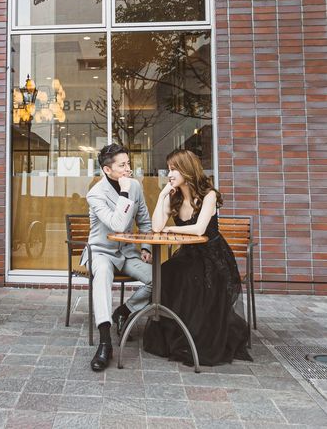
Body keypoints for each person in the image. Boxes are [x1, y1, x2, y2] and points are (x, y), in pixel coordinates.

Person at [143, 149, 252, 366]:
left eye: (173, 169)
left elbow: (200, 229)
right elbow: (156, 226)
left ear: (187, 170)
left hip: (212, 257)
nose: (169, 174)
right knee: (165, 273)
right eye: (169, 169)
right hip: (189, 255)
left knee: (190, 280)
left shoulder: (208, 195)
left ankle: (194, 335)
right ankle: (173, 332)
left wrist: (170, 230)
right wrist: (163, 195)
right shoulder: (174, 197)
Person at [85, 143, 153, 372]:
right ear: (107, 169)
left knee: (160, 279)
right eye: (122, 165)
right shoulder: (95, 194)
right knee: (102, 274)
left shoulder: (135, 186)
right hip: (102, 252)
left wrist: (146, 247)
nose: (128, 169)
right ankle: (105, 342)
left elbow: (144, 220)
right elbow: (117, 224)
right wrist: (124, 192)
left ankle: (124, 311)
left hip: (127, 253)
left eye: (128, 164)